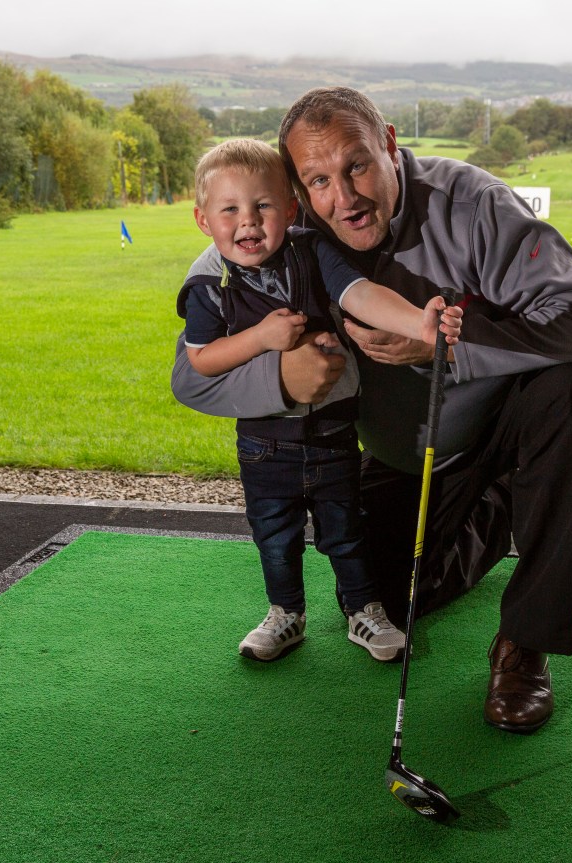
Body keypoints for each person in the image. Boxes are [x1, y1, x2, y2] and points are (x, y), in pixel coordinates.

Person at [172, 88, 572, 734]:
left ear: (388, 143)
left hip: (507, 421)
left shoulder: (473, 205)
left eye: (357, 166)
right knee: (378, 594)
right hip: (403, 459)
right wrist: (280, 375)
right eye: (319, 181)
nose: (345, 198)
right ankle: (501, 510)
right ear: (297, 192)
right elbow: (190, 378)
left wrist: (446, 345)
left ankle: (525, 642)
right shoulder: (273, 234)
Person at [181, 138, 463, 664]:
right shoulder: (208, 284)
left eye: (264, 206)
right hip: (265, 444)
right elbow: (201, 359)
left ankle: (364, 610)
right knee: (274, 535)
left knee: (346, 531)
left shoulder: (311, 250)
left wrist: (417, 322)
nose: (249, 222)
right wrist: (262, 339)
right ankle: (285, 614)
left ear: (290, 210)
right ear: (203, 220)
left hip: (333, 434)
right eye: (230, 210)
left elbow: (359, 293)